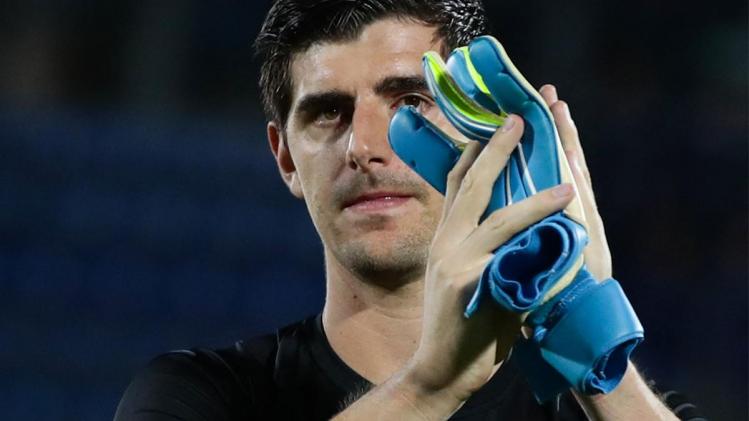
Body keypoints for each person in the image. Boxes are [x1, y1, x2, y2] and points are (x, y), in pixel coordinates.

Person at [114, 1, 704, 420]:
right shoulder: (197, 396)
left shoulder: (604, 408)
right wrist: (429, 386)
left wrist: (588, 337)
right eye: (329, 112)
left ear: (482, 125)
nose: (364, 146)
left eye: (412, 101)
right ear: (286, 158)